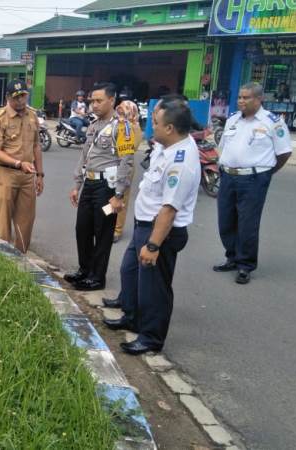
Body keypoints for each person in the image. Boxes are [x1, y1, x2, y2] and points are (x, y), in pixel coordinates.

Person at [104, 98, 201, 355]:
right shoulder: (166, 145)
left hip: (161, 233)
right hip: (144, 225)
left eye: (156, 124)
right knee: (129, 272)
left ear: (170, 128)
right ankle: (132, 316)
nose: (151, 128)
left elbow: (169, 210)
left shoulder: (181, 162)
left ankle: (151, 337)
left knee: (154, 288)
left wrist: (153, 244)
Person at [213, 82, 292, 284]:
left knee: (248, 223)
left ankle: (245, 265)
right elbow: (223, 148)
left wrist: (266, 172)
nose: (241, 101)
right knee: (226, 221)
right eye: (239, 97)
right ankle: (231, 257)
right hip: (228, 176)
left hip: (254, 179)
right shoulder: (232, 120)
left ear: (259, 99)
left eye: (246, 97)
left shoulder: (272, 122)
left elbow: (284, 153)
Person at [64, 82, 133, 291]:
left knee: (102, 231)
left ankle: (96, 277)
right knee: (82, 229)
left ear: (111, 100)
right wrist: (77, 185)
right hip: (90, 186)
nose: (94, 105)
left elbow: (126, 161)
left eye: (99, 101)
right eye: (92, 101)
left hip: (108, 189)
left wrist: (119, 195)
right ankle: (84, 270)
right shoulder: (93, 125)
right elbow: (84, 156)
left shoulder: (121, 126)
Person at [0, 79, 44, 253]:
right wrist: (18, 163)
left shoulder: (32, 116)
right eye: (16, 97)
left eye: (23, 96)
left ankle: (20, 259)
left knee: (26, 221)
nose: (20, 101)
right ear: (7, 98)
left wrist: (40, 175)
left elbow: (36, 146)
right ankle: (3, 260)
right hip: (5, 175)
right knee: (3, 224)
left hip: (27, 176)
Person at [113, 100, 141, 243]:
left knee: (121, 197)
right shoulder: (116, 123)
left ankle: (117, 230)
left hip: (126, 165)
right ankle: (108, 222)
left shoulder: (134, 127)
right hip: (111, 165)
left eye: (124, 111)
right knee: (111, 195)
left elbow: (133, 147)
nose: (120, 113)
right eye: (119, 111)